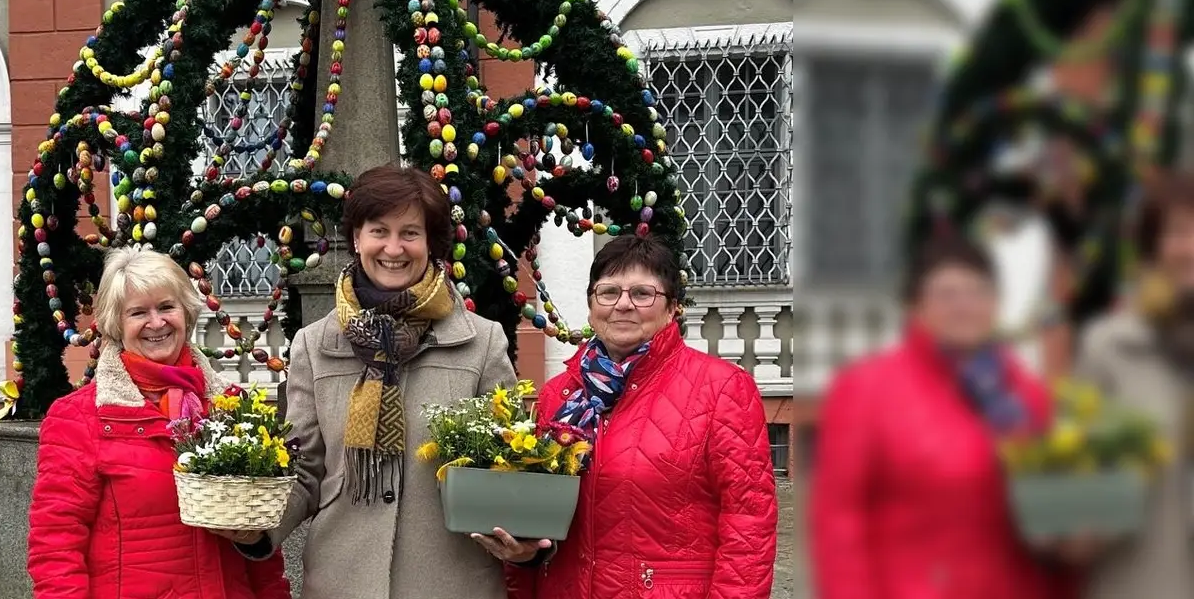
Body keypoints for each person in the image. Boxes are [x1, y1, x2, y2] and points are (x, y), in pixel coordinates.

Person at [235, 163, 517, 599]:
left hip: (454, 583)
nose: (393, 248)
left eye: (410, 233)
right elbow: (306, 470)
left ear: (431, 243)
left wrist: (524, 541)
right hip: (341, 581)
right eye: (378, 230)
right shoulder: (315, 345)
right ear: (356, 238)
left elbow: (510, 469)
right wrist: (254, 529)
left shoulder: (481, 343)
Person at [496, 234, 777, 599]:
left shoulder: (722, 389)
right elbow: (534, 517)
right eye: (609, 292)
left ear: (673, 306)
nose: (623, 305)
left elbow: (749, 524)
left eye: (643, 294)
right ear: (591, 304)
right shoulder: (559, 395)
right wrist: (524, 560)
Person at [809, 236, 1077, 599]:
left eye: (978, 292)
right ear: (916, 306)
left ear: (996, 304)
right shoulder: (866, 390)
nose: (964, 306)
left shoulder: (1024, 394)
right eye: (947, 294)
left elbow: (1055, 514)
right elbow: (840, 524)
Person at [26, 245, 290, 599]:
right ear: (117, 324)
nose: (156, 323)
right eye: (138, 312)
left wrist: (256, 542)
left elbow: (264, 553)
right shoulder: (79, 418)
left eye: (167, 307)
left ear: (186, 312)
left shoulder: (230, 406)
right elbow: (55, 548)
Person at [1073, 173, 1194, 597]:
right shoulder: (1109, 348)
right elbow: (1074, 483)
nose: (1191, 248)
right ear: (1152, 247)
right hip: (1142, 583)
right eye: (1178, 231)